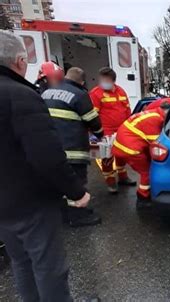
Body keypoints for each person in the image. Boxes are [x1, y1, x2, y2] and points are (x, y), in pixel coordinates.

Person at [0, 31, 92, 302]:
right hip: (31, 203)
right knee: (49, 268)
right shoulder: (20, 95)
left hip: (2, 206)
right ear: (18, 61)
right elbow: (46, 156)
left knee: (21, 263)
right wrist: (77, 192)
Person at [112, 88, 170, 208]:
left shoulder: (154, 113)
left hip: (121, 145)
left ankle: (123, 179)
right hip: (130, 150)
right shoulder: (155, 120)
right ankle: (143, 198)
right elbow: (157, 145)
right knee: (148, 171)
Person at [42, 67, 104, 227]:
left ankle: (64, 214)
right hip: (72, 149)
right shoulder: (80, 94)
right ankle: (77, 216)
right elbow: (93, 121)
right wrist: (99, 135)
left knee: (60, 181)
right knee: (76, 182)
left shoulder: (48, 91)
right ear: (82, 82)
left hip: (50, 148)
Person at [89, 67, 136, 193]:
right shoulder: (96, 93)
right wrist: (95, 131)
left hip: (121, 129)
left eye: (106, 79)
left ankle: (122, 177)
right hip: (105, 131)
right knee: (107, 156)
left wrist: (129, 126)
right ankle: (110, 182)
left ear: (113, 80)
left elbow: (127, 110)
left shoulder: (121, 91)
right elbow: (93, 115)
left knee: (121, 154)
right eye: (102, 79)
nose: (103, 82)